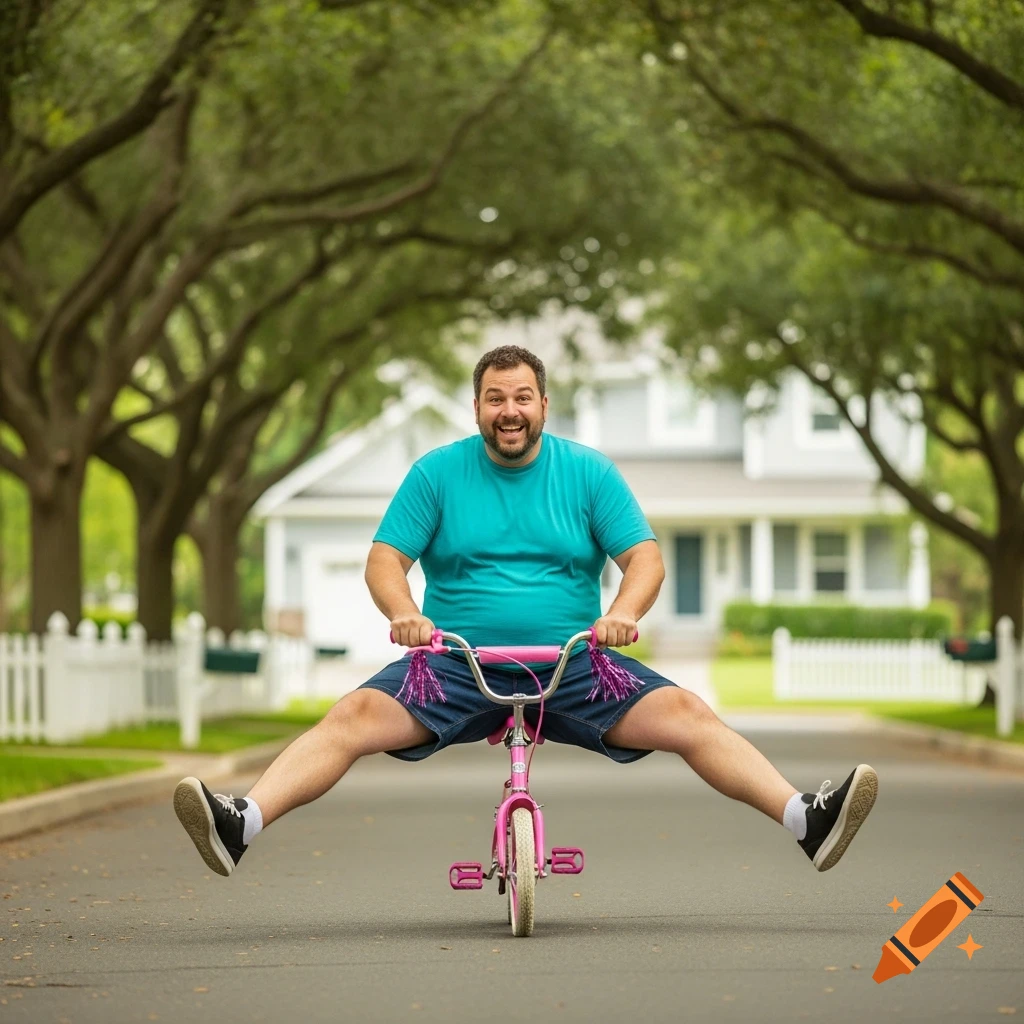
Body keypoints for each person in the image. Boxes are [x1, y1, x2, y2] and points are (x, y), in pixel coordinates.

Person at [173, 344, 877, 878]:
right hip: (452, 664)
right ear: (476, 407)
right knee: (352, 718)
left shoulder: (588, 473)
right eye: (494, 398)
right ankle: (242, 825)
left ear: (544, 404)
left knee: (689, 716)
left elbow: (646, 559)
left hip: (576, 664)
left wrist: (623, 614)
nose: (509, 410)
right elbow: (385, 559)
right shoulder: (437, 474)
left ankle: (805, 822)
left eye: (522, 397)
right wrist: (405, 614)